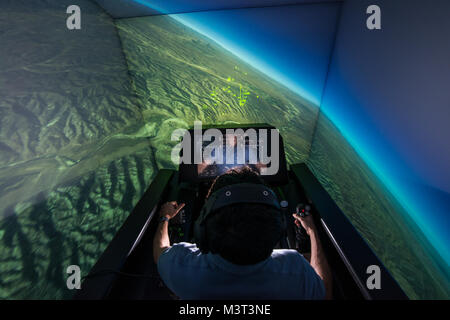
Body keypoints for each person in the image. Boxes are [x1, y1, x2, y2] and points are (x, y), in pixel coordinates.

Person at [153, 167, 332, 299]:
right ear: (278, 227)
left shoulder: (182, 267)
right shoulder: (295, 270)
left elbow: (160, 250)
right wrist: (313, 231)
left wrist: (165, 218)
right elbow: (325, 291)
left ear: (202, 229)